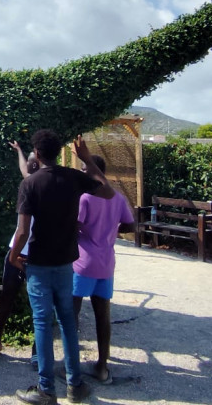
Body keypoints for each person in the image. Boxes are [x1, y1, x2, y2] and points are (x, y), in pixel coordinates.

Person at [9, 130, 115, 405]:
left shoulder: (30, 183)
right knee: (68, 322)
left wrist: (13, 256)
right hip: (66, 263)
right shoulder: (72, 177)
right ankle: (75, 385)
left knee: (42, 323)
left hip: (40, 264)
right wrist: (88, 160)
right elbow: (108, 191)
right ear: (58, 152)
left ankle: (46, 389)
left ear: (38, 153)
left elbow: (22, 231)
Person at [73, 154, 136, 385]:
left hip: (83, 262)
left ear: (92, 171)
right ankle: (102, 366)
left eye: (83, 168)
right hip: (106, 262)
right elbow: (130, 225)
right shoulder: (118, 198)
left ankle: (73, 368)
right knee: (103, 316)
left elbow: (74, 226)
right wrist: (110, 230)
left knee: (73, 314)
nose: (80, 172)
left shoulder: (85, 198)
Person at [0, 140, 40, 367]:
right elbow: (24, 168)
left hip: (30, 255)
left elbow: (24, 231)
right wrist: (20, 151)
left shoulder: (38, 186)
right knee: (7, 298)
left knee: (37, 304)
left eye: (34, 163)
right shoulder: (31, 182)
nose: (30, 167)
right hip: (20, 252)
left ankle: (37, 348)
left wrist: (14, 256)